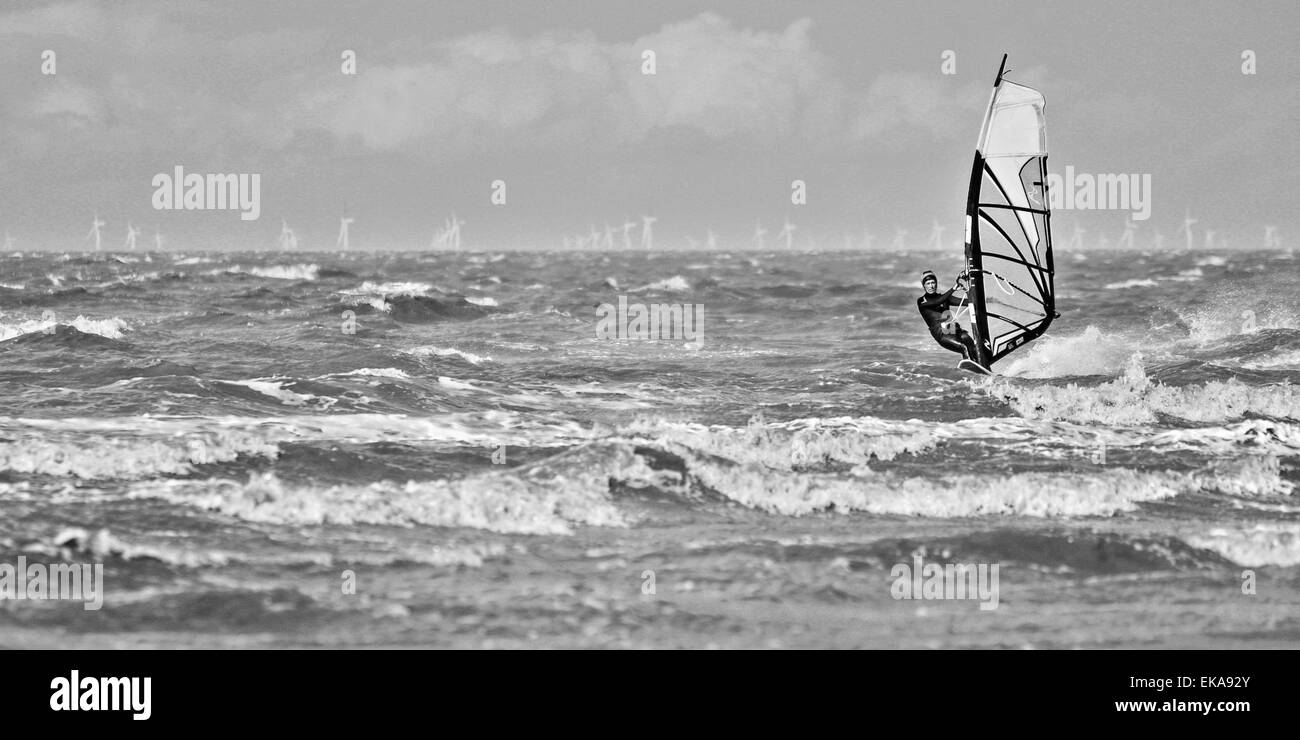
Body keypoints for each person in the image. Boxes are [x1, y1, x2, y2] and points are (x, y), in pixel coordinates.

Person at [916, 270, 980, 361]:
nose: (931, 286)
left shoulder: (944, 298)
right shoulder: (922, 301)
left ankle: (983, 366)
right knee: (964, 347)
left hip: (952, 330)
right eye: (928, 283)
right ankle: (971, 370)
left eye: (933, 282)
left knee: (972, 345)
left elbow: (967, 302)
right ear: (924, 286)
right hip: (942, 335)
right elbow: (938, 301)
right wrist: (953, 289)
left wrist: (982, 298)